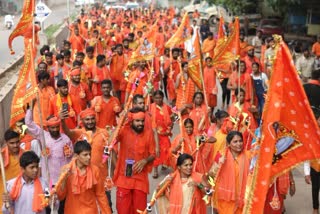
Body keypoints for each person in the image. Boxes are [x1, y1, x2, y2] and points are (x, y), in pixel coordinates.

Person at [112, 107, 156, 214]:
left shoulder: (148, 133)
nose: (140, 123)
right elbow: (110, 142)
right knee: (123, 211)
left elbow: (153, 154)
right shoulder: (123, 131)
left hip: (140, 179)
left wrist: (145, 160)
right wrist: (120, 123)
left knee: (140, 211)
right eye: (137, 121)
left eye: (142, 121)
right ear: (131, 121)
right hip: (124, 178)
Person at [56, 141, 112, 214]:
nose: (89, 157)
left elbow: (101, 195)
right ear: (76, 156)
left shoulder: (95, 170)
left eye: (89, 154)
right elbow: (61, 196)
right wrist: (63, 180)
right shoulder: (66, 170)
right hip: (71, 211)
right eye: (85, 155)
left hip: (90, 211)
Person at [212, 131, 250, 214]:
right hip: (225, 199)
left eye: (240, 141)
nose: (239, 144)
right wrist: (218, 165)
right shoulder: (221, 155)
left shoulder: (248, 155)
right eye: (235, 142)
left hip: (241, 199)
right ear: (228, 144)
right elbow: (211, 174)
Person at [150, 90, 173, 178]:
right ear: (153, 98)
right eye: (156, 98)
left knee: (167, 150)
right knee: (156, 151)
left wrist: (170, 128)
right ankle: (155, 170)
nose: (158, 99)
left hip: (164, 134)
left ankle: (165, 163)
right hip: (154, 134)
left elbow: (172, 119)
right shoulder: (150, 107)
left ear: (162, 98)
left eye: (160, 98)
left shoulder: (167, 108)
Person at [0, 130, 25, 210]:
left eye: (17, 142)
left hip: (22, 196)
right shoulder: (1, 156)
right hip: (5, 197)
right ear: (6, 143)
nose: (15, 145)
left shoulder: (26, 155)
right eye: (12, 143)